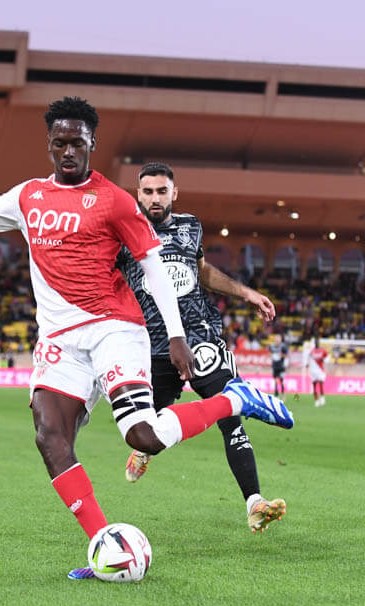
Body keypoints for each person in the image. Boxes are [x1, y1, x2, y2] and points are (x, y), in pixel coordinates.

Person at [0, 96, 293, 579]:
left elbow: (154, 267)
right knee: (50, 437)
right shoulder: (27, 196)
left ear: (92, 142)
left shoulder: (115, 200)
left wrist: (176, 336)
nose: (68, 151)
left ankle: (236, 399)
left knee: (143, 437)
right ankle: (105, 544)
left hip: (115, 329)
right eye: (60, 143)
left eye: (77, 142)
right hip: (59, 340)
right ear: (49, 144)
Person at [115, 162, 288, 533]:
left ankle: (255, 503)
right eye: (148, 192)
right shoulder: (123, 234)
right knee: (149, 429)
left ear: (174, 193)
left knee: (230, 413)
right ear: (138, 194)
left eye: (162, 191)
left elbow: (203, 272)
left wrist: (247, 293)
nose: (155, 198)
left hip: (201, 334)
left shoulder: (190, 226)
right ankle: (144, 450)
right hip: (153, 343)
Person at [307, 336, 327, 406]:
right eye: (315, 342)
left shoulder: (322, 350)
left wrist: (324, 360)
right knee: (314, 385)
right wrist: (307, 364)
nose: (316, 343)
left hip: (320, 370)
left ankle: (322, 398)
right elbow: (309, 358)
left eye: (317, 342)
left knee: (321, 384)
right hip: (313, 370)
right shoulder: (312, 351)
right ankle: (316, 400)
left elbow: (326, 357)